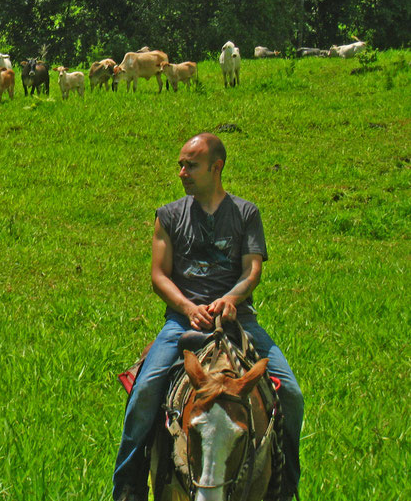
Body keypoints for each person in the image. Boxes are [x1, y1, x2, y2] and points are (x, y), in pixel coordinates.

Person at [112, 133, 303, 501]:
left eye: (191, 164)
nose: (182, 171)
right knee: (145, 390)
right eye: (181, 164)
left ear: (217, 168)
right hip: (182, 322)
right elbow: (159, 275)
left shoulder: (245, 213)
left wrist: (231, 299)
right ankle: (129, 486)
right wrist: (188, 308)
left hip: (238, 320)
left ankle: (286, 486)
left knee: (291, 394)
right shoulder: (168, 215)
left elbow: (252, 270)